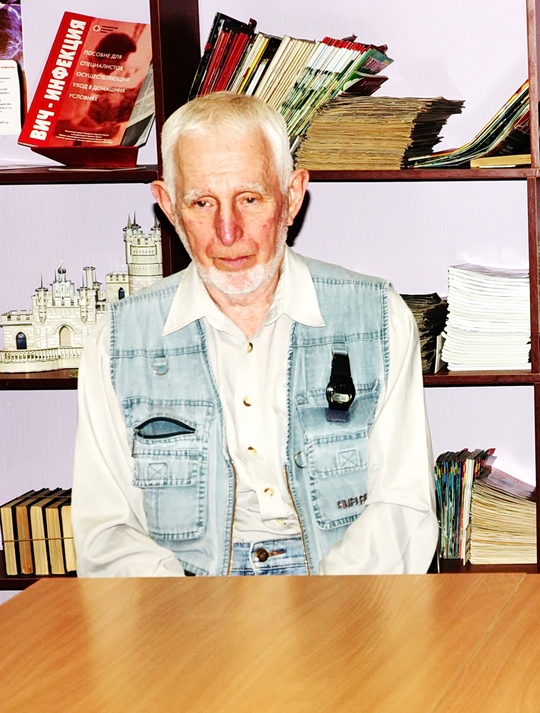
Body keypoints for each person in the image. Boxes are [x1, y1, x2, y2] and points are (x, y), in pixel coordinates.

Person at [72, 91, 438, 576]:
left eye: (249, 198)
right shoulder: (115, 341)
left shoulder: (379, 318)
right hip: (184, 594)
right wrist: (185, 612)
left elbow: (401, 506)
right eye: (202, 202)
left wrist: (329, 606)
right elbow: (107, 532)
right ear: (169, 206)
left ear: (291, 197)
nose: (228, 232)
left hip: (344, 585)